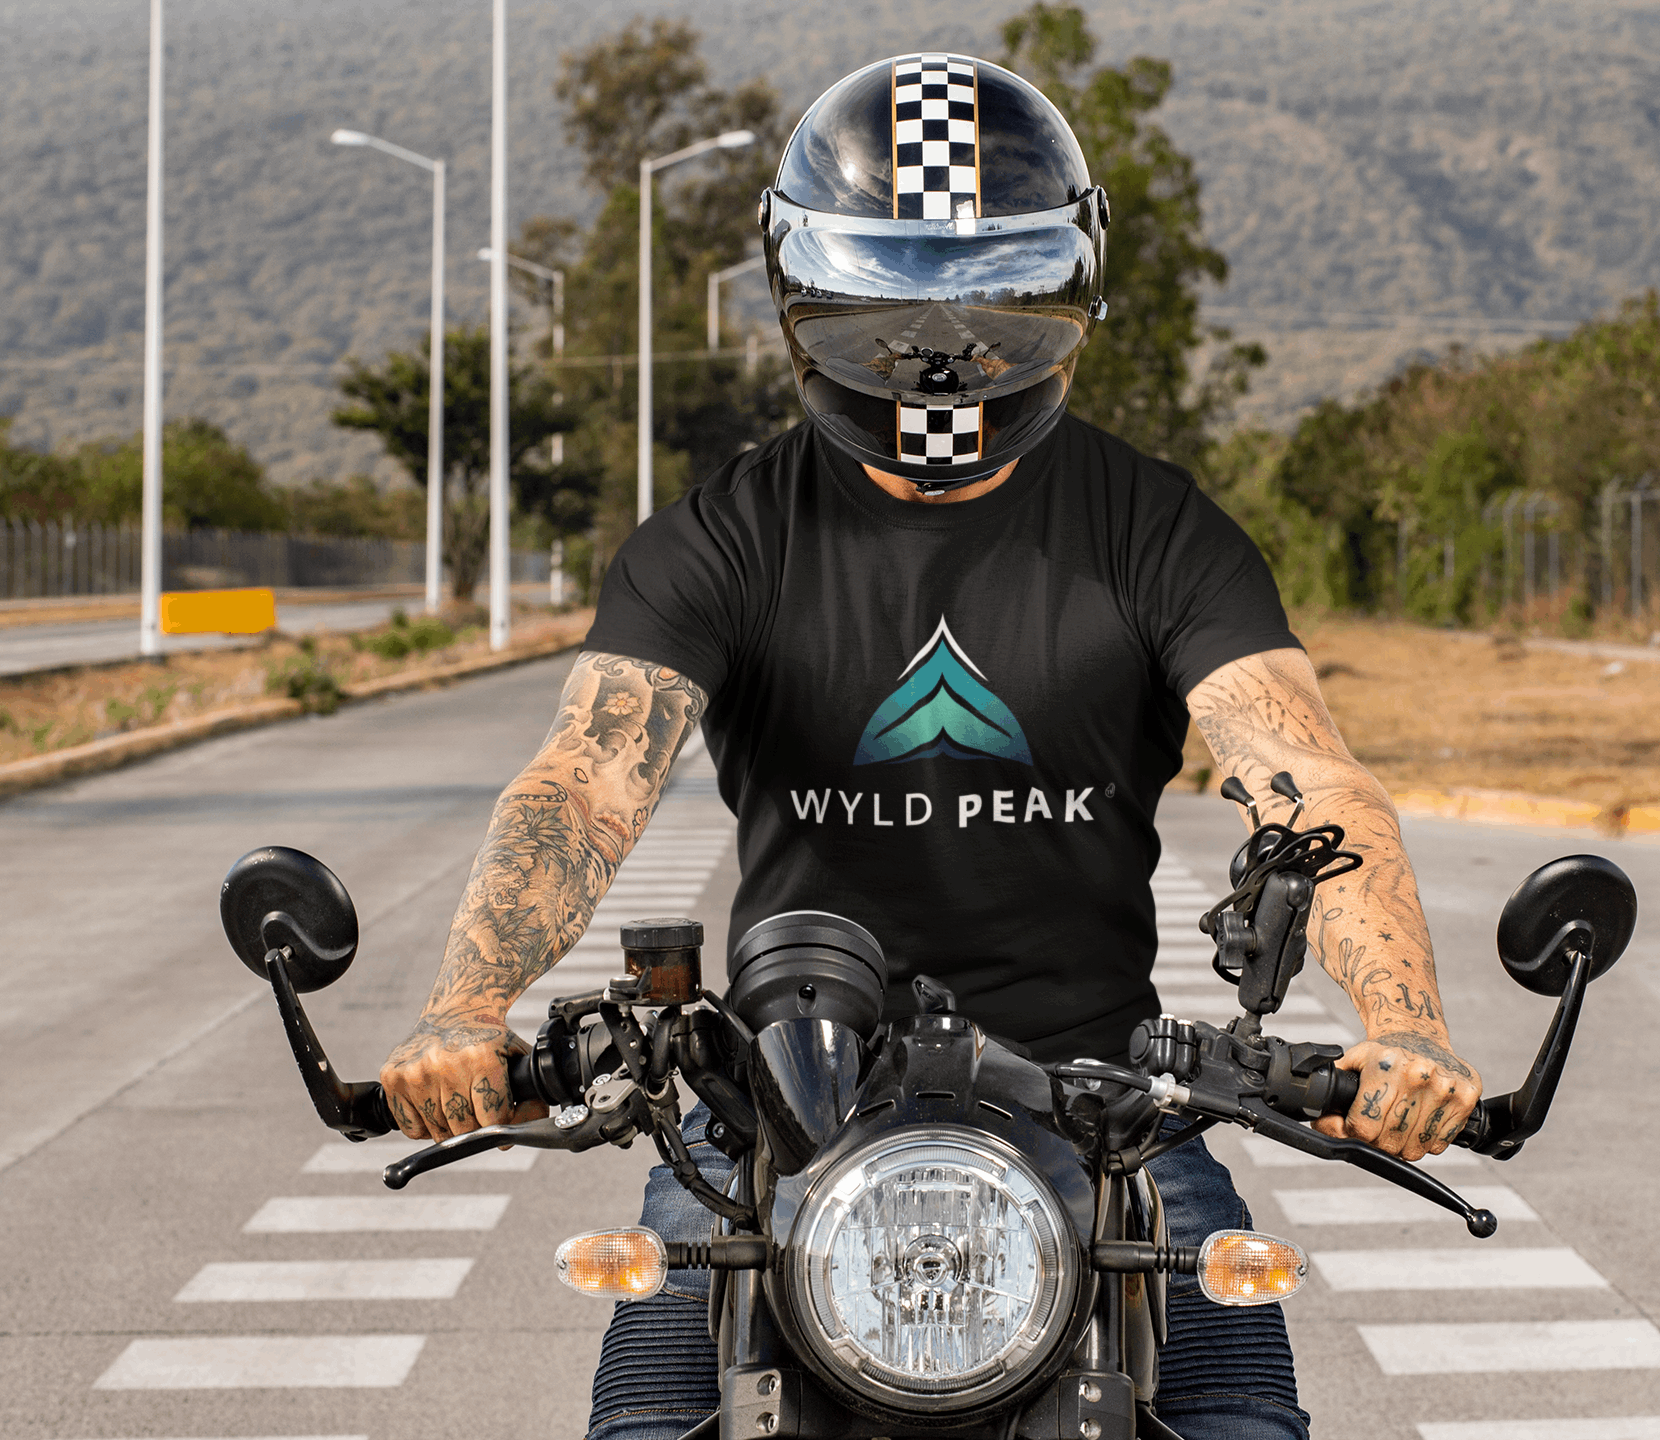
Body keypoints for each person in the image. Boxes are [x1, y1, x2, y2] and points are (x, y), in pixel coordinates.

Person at [381, 53, 1481, 1440]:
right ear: (803, 293)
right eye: (889, 291)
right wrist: (465, 1006)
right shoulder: (722, 536)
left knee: (1238, 1420)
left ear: (1071, 285)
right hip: (779, 1099)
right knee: (651, 1419)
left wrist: (1407, 1029)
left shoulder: (1157, 530)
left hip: (1105, 1096)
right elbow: (589, 774)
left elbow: (1308, 776)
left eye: (991, 288)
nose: (942, 343)